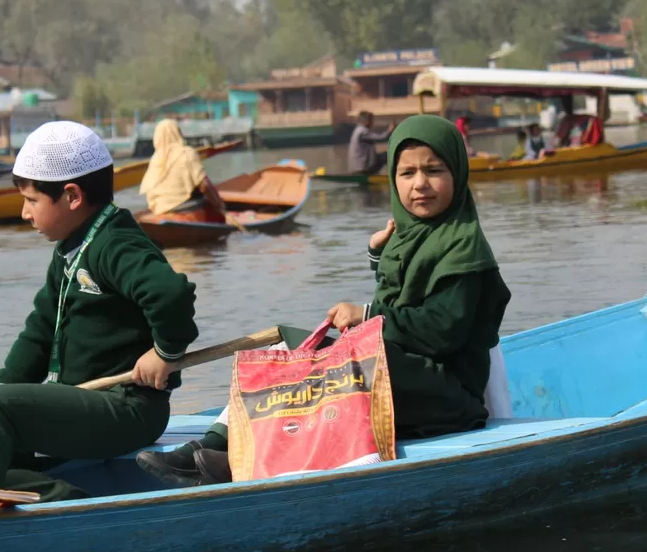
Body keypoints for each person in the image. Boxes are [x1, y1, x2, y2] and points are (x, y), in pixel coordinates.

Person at [135, 113, 511, 487]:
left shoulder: (464, 246)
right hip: (408, 376)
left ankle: (231, 460)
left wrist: (366, 315)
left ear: (458, 174)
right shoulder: (408, 237)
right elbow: (403, 302)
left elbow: (442, 331)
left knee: (334, 366)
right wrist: (379, 258)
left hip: (447, 396)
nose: (420, 184)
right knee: (287, 348)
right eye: (407, 173)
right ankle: (213, 445)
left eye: (434, 170)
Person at [0, 121, 200, 501]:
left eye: (31, 201)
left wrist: (166, 353)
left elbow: (170, 294)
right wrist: (6, 389)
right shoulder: (70, 249)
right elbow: (41, 328)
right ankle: (56, 496)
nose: (24, 213)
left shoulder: (114, 244)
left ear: (72, 196)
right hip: (87, 403)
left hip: (126, 410)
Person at [138, 118, 226, 222]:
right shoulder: (187, 153)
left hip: (160, 213)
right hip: (188, 213)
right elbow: (205, 185)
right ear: (178, 133)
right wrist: (219, 204)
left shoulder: (155, 159)